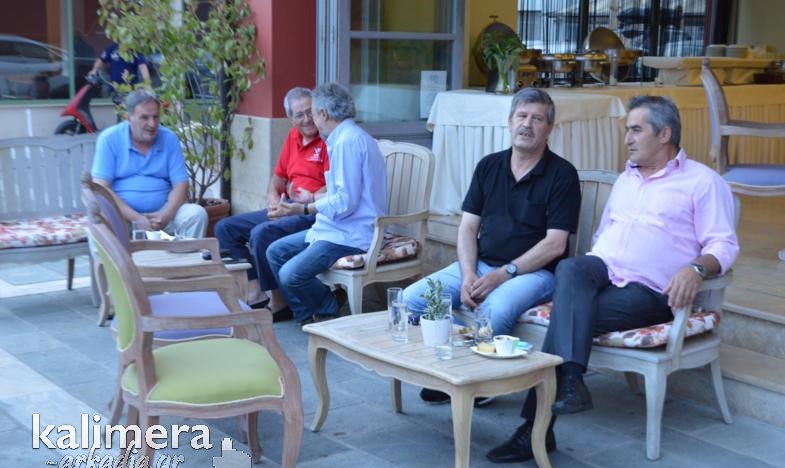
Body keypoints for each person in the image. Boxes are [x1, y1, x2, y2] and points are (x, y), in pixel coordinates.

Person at [487, 95, 740, 463]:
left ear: (664, 134)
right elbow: (602, 236)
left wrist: (696, 268)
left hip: (651, 291)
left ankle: (537, 427)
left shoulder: (703, 182)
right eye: (627, 130)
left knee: (567, 318)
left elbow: (724, 244)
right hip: (602, 274)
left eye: (636, 130)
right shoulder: (626, 179)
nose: (627, 139)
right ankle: (569, 386)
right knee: (570, 268)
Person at [403, 88, 581, 406]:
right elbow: (468, 228)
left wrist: (503, 274)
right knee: (412, 300)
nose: (527, 124)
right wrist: (469, 274)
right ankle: (451, 369)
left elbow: (555, 244)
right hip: (483, 264)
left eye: (537, 119)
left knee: (493, 311)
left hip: (535, 273)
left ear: (549, 128)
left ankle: (479, 383)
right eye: (522, 116)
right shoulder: (489, 166)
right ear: (510, 122)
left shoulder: (562, 174)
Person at [266, 83, 387, 324]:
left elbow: (345, 202)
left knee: (290, 275)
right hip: (337, 227)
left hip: (351, 234)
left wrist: (304, 208)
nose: (311, 119)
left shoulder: (347, 142)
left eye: (312, 113)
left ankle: (326, 307)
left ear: (323, 114)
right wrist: (311, 197)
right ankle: (311, 315)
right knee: (275, 252)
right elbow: (344, 192)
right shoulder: (343, 138)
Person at [214, 87, 328, 313]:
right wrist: (273, 199)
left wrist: (307, 199)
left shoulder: (328, 139)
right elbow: (278, 178)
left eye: (310, 111)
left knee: (262, 233)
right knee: (225, 228)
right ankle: (255, 292)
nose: (307, 119)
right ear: (290, 119)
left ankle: (279, 300)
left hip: (312, 211)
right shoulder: (293, 136)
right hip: (287, 207)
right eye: (300, 115)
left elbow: (335, 187)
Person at [91, 90, 207, 238]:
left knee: (196, 214)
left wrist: (166, 215)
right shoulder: (109, 139)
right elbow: (101, 188)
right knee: (103, 219)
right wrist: (136, 218)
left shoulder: (169, 139)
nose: (152, 124)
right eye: (144, 118)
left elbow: (181, 184)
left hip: (163, 212)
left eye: (155, 117)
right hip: (122, 214)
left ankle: (188, 254)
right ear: (128, 118)